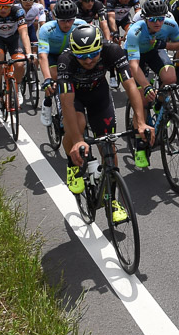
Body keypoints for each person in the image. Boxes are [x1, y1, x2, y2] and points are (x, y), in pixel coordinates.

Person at [59, 26, 153, 219]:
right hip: (75, 98)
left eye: (93, 54)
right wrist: (77, 140)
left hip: (98, 95)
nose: (87, 60)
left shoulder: (113, 51)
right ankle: (72, 164)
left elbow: (130, 86)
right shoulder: (65, 61)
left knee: (107, 143)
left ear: (100, 48)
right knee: (78, 123)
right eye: (82, 56)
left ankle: (112, 201)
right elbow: (66, 103)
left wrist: (141, 122)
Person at [37, 0, 85, 128]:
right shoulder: (46, 29)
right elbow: (42, 56)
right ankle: (47, 102)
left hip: (71, 54)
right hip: (52, 56)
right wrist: (46, 78)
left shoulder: (81, 25)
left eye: (70, 20)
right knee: (55, 78)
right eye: (63, 20)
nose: (67, 24)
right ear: (55, 18)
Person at [124, 0, 179, 95]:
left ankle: (159, 105)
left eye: (161, 19)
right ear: (145, 19)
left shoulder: (171, 25)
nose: (157, 23)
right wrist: (146, 86)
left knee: (170, 79)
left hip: (154, 51)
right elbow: (134, 65)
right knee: (143, 99)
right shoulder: (135, 31)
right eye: (152, 19)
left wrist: (164, 44)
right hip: (136, 54)